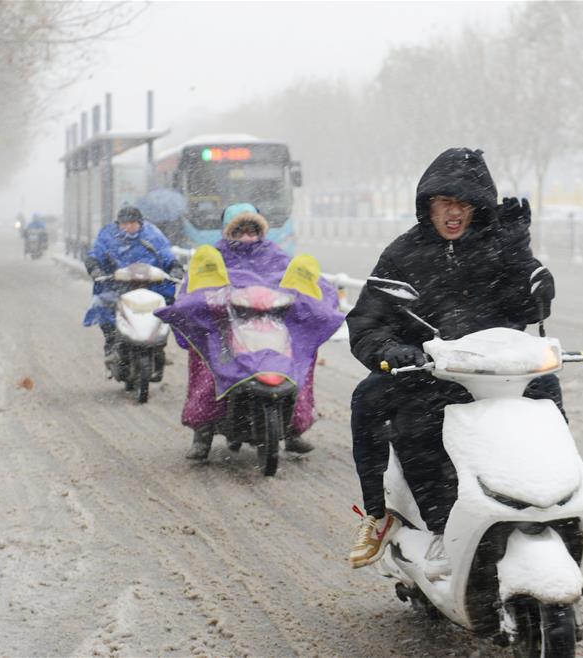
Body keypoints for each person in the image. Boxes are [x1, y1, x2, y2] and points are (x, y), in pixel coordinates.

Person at [345, 147, 561, 573]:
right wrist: (391, 351)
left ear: (479, 208)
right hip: (428, 372)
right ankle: (381, 513)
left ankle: (550, 499)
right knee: (371, 401)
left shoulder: (500, 247)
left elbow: (529, 307)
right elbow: (366, 322)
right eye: (444, 203)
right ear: (428, 206)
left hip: (498, 373)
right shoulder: (402, 254)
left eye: (463, 203)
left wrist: (520, 252)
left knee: (546, 391)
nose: (453, 213)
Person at [177, 203, 337, 460]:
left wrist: (312, 300)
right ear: (228, 232)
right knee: (206, 361)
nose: (247, 237)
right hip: (225, 327)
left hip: (273, 325)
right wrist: (206, 303)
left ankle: (294, 428)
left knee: (300, 361)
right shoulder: (214, 257)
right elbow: (195, 287)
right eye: (240, 231)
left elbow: (302, 282)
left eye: (252, 230)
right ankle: (203, 430)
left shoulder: (274, 255)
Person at [82, 204, 178, 370]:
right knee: (103, 305)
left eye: (132, 223)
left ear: (140, 223)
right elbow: (96, 253)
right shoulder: (108, 236)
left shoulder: (153, 235)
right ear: (118, 224)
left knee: (168, 308)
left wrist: (175, 267)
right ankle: (112, 344)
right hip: (117, 286)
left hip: (152, 286)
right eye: (124, 224)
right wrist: (95, 268)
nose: (128, 227)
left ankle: (160, 345)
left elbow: (166, 254)